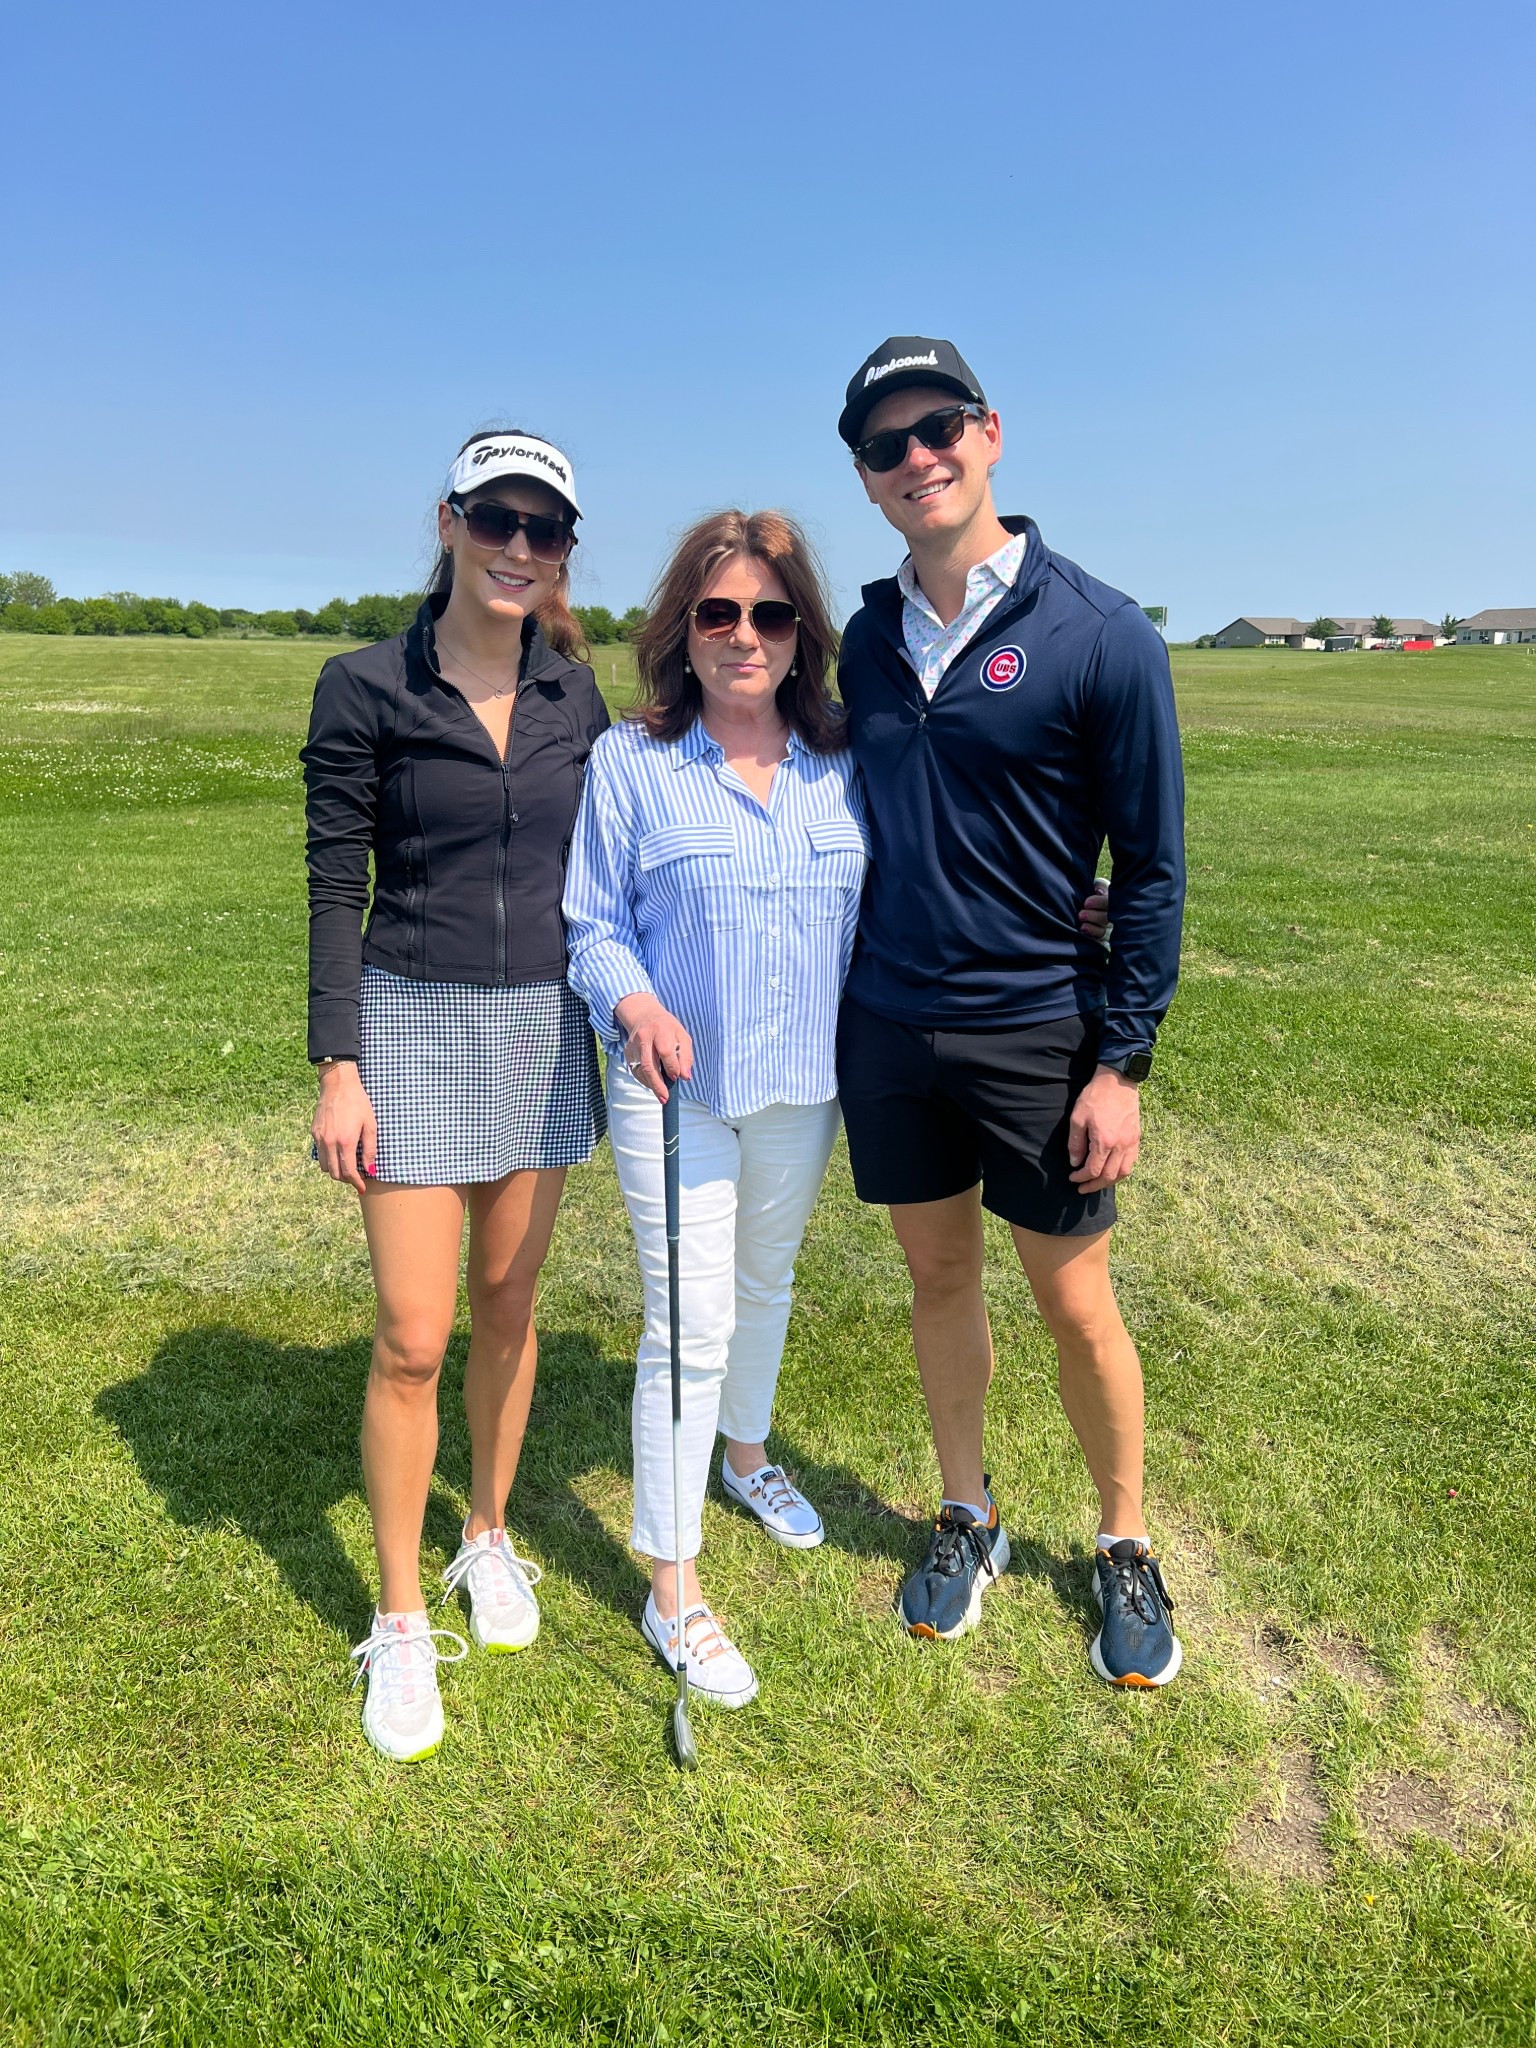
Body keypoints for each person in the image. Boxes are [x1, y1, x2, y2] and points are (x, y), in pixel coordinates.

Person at [832, 337, 1187, 1686]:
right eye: (886, 445)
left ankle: (1121, 1539)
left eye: (940, 429)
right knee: (937, 1279)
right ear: (865, 482)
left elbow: (1149, 868)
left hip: (1041, 1029)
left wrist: (1124, 1064)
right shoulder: (862, 641)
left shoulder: (1102, 634)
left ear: (991, 435)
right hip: (891, 1028)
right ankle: (968, 1512)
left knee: (1074, 1301)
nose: (918, 457)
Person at [302, 429, 610, 1760]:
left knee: (508, 1304)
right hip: (409, 1019)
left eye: (545, 530)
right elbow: (332, 884)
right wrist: (339, 1060)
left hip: (544, 1027)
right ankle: (397, 1613)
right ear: (450, 521)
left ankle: (487, 1532)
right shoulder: (364, 685)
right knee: (416, 1334)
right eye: (499, 519)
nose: (519, 549)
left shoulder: (578, 700)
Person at [561, 511, 859, 1709]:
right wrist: (632, 1002)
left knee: (765, 1285)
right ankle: (670, 1578)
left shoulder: (848, 757)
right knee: (683, 1321)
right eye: (719, 612)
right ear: (682, 629)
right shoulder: (632, 761)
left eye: (770, 614)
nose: (745, 635)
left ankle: (746, 1454)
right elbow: (593, 921)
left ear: (802, 636)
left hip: (805, 1083)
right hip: (673, 1085)